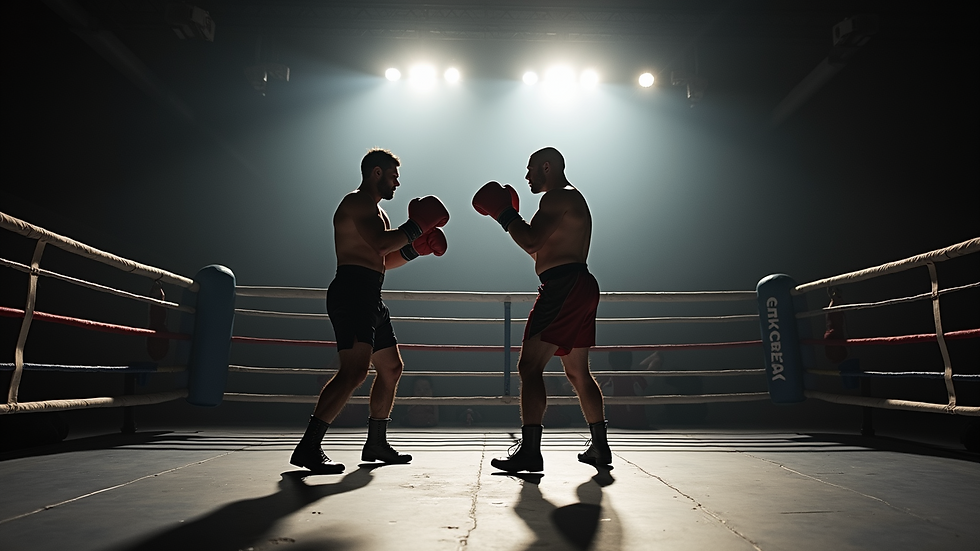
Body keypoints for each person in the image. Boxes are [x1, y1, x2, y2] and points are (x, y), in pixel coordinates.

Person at [290, 148, 450, 474]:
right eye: (393, 176)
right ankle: (309, 446)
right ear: (376, 173)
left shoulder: (379, 214)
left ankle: (376, 442)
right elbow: (379, 244)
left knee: (391, 368)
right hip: (351, 292)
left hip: (370, 294)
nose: (397, 183)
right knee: (354, 372)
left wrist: (414, 250)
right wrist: (417, 227)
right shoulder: (357, 202)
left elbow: (383, 259)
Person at [472, 146, 610, 472]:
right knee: (577, 371)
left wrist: (505, 214)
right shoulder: (567, 200)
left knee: (529, 366)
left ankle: (531, 451)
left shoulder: (557, 197)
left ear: (546, 167)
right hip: (578, 283)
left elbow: (532, 242)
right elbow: (539, 255)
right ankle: (600, 448)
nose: (526, 176)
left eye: (530, 169)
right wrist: (509, 218)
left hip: (563, 286)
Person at [600, 350, 649, 429]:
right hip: (639, 424)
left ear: (610, 362)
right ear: (630, 361)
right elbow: (657, 360)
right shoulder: (638, 380)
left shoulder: (607, 384)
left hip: (616, 425)